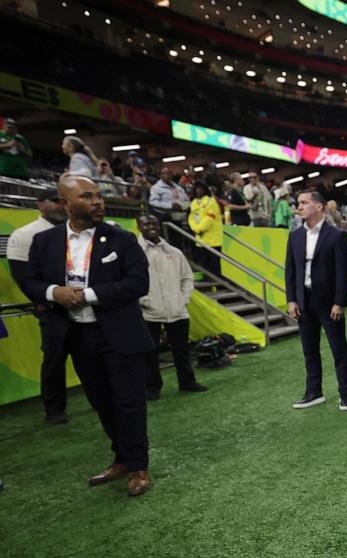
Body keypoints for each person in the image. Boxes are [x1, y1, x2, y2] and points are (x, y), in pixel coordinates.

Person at [22, 174, 155, 496]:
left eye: (98, 195)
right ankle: (121, 459)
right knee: (101, 401)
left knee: (129, 403)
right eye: (86, 196)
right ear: (65, 205)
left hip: (119, 335)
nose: (97, 201)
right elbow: (30, 281)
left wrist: (88, 294)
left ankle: (138, 467)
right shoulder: (46, 242)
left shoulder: (122, 239)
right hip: (78, 336)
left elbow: (138, 284)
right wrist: (55, 292)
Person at [285, 190, 347, 410]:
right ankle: (314, 392)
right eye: (298, 203)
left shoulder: (336, 235)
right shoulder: (294, 236)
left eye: (304, 203)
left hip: (328, 303)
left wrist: (339, 302)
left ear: (319, 206)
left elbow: (344, 271)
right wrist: (291, 299)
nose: (299, 206)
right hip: (303, 301)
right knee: (309, 350)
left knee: (338, 350)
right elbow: (290, 270)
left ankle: (345, 395)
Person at [7, 189, 69, 424]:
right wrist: (43, 302)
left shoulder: (75, 231)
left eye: (62, 202)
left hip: (82, 304)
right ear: (40, 204)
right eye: (54, 201)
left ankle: (99, 399)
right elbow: (22, 277)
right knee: (54, 359)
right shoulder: (25, 235)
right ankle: (54, 409)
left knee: (91, 355)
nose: (59, 206)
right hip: (52, 308)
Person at [137, 214, 208, 400]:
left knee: (182, 349)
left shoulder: (174, 252)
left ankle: (187, 382)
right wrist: (143, 301)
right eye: (146, 224)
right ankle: (152, 388)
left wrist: (183, 299)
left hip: (177, 311)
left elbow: (187, 278)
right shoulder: (135, 253)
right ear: (139, 227)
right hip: (149, 313)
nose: (151, 226)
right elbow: (130, 282)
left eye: (154, 223)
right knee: (150, 353)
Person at [188, 183, 223, 278]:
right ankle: (208, 278)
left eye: (200, 188)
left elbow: (210, 217)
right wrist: (195, 228)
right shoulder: (193, 203)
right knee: (204, 261)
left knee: (214, 262)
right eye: (197, 188)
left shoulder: (210, 201)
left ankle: (217, 281)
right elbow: (191, 217)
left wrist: (199, 228)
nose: (198, 191)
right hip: (200, 238)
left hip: (213, 238)